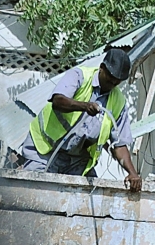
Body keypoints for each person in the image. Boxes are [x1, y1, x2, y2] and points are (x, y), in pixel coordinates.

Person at [18, 46, 143, 193]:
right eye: (109, 80)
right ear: (102, 68)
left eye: (116, 83)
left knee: (79, 201)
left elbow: (119, 145)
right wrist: (84, 106)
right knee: (33, 193)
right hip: (44, 150)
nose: (112, 86)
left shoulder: (118, 102)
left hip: (76, 161)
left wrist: (132, 173)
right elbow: (58, 101)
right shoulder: (79, 76)